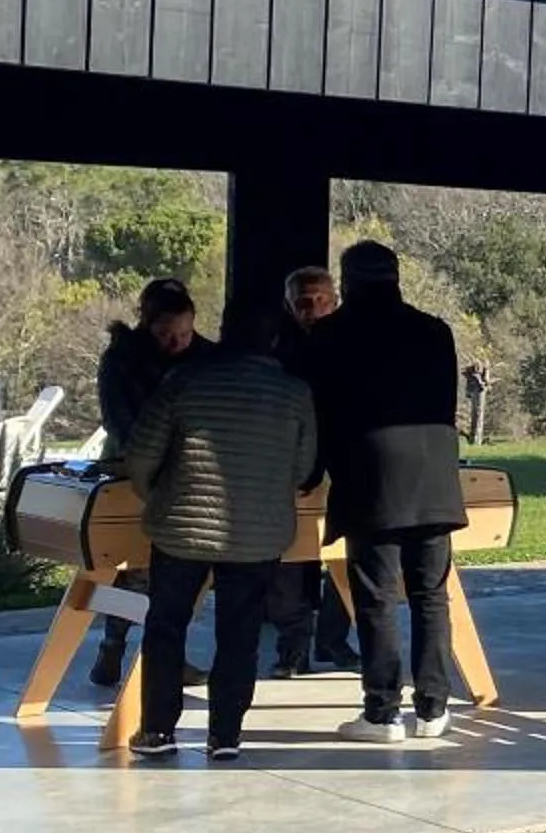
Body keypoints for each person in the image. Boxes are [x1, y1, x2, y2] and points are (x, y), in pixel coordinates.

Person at [120, 330, 319, 762]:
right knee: (240, 633)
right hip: (257, 533)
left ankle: (157, 729)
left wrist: (154, 494)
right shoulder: (294, 393)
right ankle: (225, 735)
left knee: (166, 626)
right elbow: (303, 467)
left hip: (180, 527)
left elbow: (141, 452)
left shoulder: (184, 381)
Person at [308, 242, 467, 743]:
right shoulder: (435, 332)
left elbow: (319, 415)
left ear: (348, 281)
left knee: (377, 600)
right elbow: (443, 406)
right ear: (396, 277)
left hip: (368, 480)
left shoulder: (329, 334)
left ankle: (382, 713)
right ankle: (434, 709)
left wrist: (310, 475)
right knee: (430, 596)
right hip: (435, 480)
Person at [89, 279, 210, 692]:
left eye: (184, 334)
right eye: (165, 335)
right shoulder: (122, 359)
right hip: (132, 466)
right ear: (146, 323)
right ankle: (118, 644)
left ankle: (138, 650)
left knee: (167, 572)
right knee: (135, 567)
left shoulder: (204, 356)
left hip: (186, 468)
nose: (176, 343)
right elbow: (117, 419)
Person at [266, 264, 358, 675]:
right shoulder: (276, 349)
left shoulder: (354, 342)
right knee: (289, 561)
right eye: (306, 302)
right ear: (290, 306)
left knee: (351, 555)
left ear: (335, 299)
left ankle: (334, 639)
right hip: (290, 464)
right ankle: (293, 648)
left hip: (346, 460)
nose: (315, 309)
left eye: (323, 300)